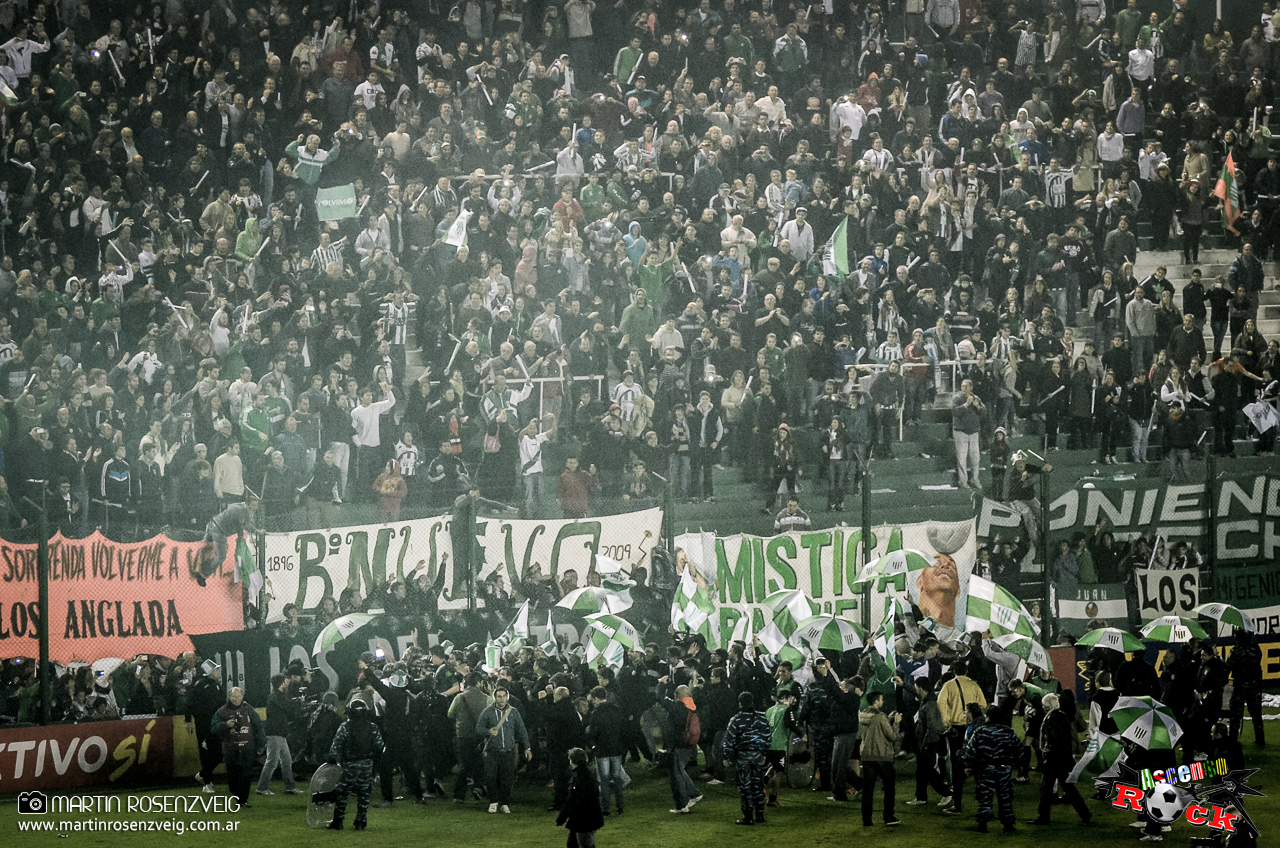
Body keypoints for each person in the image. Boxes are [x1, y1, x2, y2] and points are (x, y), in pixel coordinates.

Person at [1028, 692, 1091, 825]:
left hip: (1053, 760)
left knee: (1046, 790)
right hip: (1063, 759)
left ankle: (1044, 817)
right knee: (1069, 789)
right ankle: (1085, 813)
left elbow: (1052, 741)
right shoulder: (1063, 716)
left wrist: (1046, 755)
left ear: (1046, 707)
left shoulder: (1051, 719)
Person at [326, 698, 385, 831]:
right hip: (367, 764)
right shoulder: (372, 727)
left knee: (343, 792)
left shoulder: (345, 727)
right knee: (364, 793)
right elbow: (380, 746)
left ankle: (338, 821)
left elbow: (336, 745)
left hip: (350, 764)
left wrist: (332, 758)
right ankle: (360, 822)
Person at [938, 660, 987, 815]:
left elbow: (941, 701)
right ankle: (985, 806)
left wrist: (946, 720)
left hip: (956, 728)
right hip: (973, 726)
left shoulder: (949, 685)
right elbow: (983, 704)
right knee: (976, 762)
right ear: (966, 671)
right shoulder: (974, 685)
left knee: (955, 761)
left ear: (954, 671)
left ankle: (957, 801)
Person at [962, 705, 1020, 833]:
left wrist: (967, 765)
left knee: (985, 796)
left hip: (985, 769)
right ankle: (1008, 823)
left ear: (987, 717)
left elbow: (970, 750)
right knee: (1005, 796)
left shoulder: (980, 732)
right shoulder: (1008, 732)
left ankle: (983, 823)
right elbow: (1019, 750)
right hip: (1004, 769)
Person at [475, 684, 533, 814]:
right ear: (494, 697)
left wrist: (527, 747)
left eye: (504, 696)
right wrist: (489, 731)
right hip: (492, 751)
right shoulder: (487, 712)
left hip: (508, 750)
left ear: (507, 697)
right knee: (491, 777)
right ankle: (493, 801)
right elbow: (478, 728)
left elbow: (522, 730)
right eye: (499, 696)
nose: (502, 699)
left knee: (507, 778)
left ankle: (505, 803)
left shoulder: (514, 712)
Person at [211, 686, 266, 808]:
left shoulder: (249, 709)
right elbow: (213, 728)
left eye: (239, 696)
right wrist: (225, 724)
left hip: (248, 748)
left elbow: (257, 726)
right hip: (230, 749)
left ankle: (243, 800)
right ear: (229, 697)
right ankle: (236, 793)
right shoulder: (222, 711)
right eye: (234, 697)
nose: (236, 699)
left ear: (243, 696)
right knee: (232, 776)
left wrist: (261, 743)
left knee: (246, 775)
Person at [723, 691, 771, 825]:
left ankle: (748, 815)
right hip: (757, 756)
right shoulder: (761, 718)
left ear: (740, 703)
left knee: (745, 787)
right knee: (757, 785)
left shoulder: (736, 719)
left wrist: (729, 756)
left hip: (742, 756)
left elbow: (729, 740)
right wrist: (765, 752)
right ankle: (760, 814)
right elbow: (767, 737)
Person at [656, 679, 703, 814]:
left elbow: (659, 697)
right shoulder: (691, 706)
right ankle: (694, 794)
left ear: (677, 695)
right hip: (687, 744)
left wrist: (661, 683)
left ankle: (682, 805)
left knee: (676, 776)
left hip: (678, 744)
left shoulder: (678, 707)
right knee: (680, 772)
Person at [859, 690, 901, 828]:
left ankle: (867, 820)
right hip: (882, 756)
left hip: (867, 756)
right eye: (881, 700)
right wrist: (895, 723)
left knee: (868, 790)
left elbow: (874, 730)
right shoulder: (880, 717)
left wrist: (886, 720)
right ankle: (888, 817)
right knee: (889, 788)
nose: (882, 702)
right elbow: (892, 737)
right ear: (876, 701)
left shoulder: (863, 715)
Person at [196, 494, 259, 586]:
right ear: (248, 504)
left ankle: (199, 568)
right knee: (221, 556)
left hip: (213, 523)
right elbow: (244, 525)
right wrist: (256, 530)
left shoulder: (239, 505)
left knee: (203, 547)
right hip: (220, 531)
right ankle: (203, 575)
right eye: (253, 506)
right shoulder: (243, 511)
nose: (255, 508)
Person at [256, 673, 303, 796]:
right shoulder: (276, 697)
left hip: (280, 734)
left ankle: (290, 787)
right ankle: (261, 787)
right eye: (285, 681)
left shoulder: (278, 696)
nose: (288, 682)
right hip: (275, 734)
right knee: (272, 762)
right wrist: (299, 702)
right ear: (281, 683)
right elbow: (289, 708)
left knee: (287, 761)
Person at [586, 686, 627, 816]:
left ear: (597, 699)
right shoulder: (617, 710)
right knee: (617, 778)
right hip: (616, 748)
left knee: (603, 780)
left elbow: (592, 733)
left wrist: (592, 745)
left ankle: (606, 809)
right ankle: (620, 807)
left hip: (602, 749)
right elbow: (622, 729)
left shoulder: (596, 713)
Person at [556, 748, 605, 848]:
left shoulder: (580, 777)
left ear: (572, 760)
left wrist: (562, 817)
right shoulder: (586, 774)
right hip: (586, 818)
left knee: (585, 844)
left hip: (583, 820)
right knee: (573, 844)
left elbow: (573, 800)